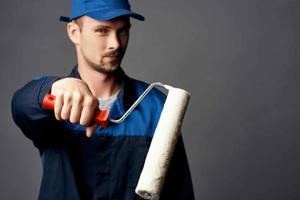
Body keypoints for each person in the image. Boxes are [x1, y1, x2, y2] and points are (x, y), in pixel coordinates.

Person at [11, 0, 194, 199]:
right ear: (74, 32)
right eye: (102, 31)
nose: (115, 43)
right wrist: (56, 85)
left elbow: (179, 191)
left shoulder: (155, 107)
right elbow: (20, 106)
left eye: (123, 30)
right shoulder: (53, 99)